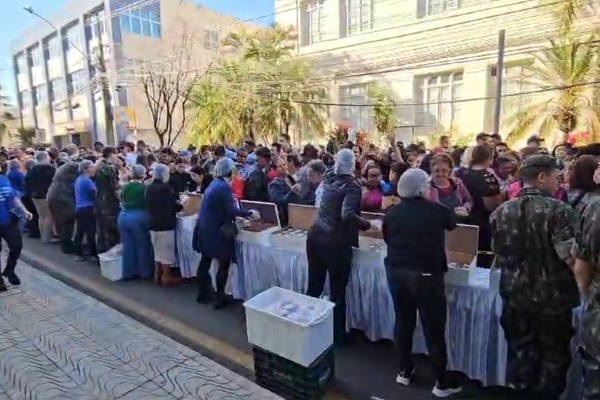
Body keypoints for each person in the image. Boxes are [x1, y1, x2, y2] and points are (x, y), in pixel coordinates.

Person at [490, 154, 579, 399]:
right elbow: (570, 258)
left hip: (514, 297)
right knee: (552, 362)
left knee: (519, 356)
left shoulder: (500, 212)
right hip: (552, 301)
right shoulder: (560, 211)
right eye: (556, 177)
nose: (559, 183)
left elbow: (498, 254)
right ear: (542, 177)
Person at [383, 168, 461, 397]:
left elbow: (387, 237)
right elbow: (452, 223)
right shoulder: (436, 211)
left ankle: (404, 370)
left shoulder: (392, 213)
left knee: (403, 321)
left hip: (396, 272)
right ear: (422, 188)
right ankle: (441, 382)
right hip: (426, 275)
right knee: (433, 328)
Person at [305, 149, 379, 345]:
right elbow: (347, 215)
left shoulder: (328, 176)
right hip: (335, 243)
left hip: (315, 236)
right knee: (337, 291)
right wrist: (369, 225)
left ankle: (306, 325)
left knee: (314, 285)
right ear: (354, 164)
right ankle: (338, 336)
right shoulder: (352, 187)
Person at [194, 158, 260, 309]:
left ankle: (203, 293)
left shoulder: (214, 184)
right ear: (230, 171)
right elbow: (231, 210)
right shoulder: (223, 187)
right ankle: (219, 298)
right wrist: (249, 213)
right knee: (223, 263)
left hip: (205, 227)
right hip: (215, 231)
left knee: (205, 261)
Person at [459, 145, 502, 260]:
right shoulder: (487, 177)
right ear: (490, 158)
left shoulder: (459, 173)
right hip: (482, 224)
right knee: (482, 260)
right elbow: (492, 205)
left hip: (460, 221)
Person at [146, 163, 182, 286]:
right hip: (165, 223)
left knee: (157, 250)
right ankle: (166, 277)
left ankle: (157, 274)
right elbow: (173, 206)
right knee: (166, 251)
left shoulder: (149, 187)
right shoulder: (165, 189)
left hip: (152, 222)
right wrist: (181, 204)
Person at [118, 164, 154, 280]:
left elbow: (121, 199)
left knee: (128, 246)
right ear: (143, 174)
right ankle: (144, 272)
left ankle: (128, 272)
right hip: (139, 217)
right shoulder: (144, 188)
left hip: (123, 216)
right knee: (142, 245)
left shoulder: (125, 186)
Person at [47, 161, 79, 254]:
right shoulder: (69, 180)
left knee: (60, 223)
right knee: (67, 223)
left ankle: (64, 244)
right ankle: (67, 246)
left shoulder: (58, 178)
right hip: (64, 201)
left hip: (54, 199)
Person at [95, 147, 121, 254]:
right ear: (111, 154)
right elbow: (115, 188)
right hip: (110, 204)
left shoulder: (98, 166)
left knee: (102, 230)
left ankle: (101, 254)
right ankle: (111, 255)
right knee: (112, 232)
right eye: (116, 155)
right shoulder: (109, 168)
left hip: (100, 202)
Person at [27, 151, 56, 243]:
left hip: (35, 195)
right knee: (48, 216)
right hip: (45, 195)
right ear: (45, 157)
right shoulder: (49, 169)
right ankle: (46, 238)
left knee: (41, 216)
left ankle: (43, 235)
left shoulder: (33, 169)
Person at [74, 160, 98, 261]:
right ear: (85, 169)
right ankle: (93, 253)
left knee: (80, 231)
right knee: (90, 231)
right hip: (87, 208)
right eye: (92, 167)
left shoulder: (79, 179)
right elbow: (95, 193)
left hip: (79, 207)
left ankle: (78, 252)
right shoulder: (87, 181)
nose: (94, 169)